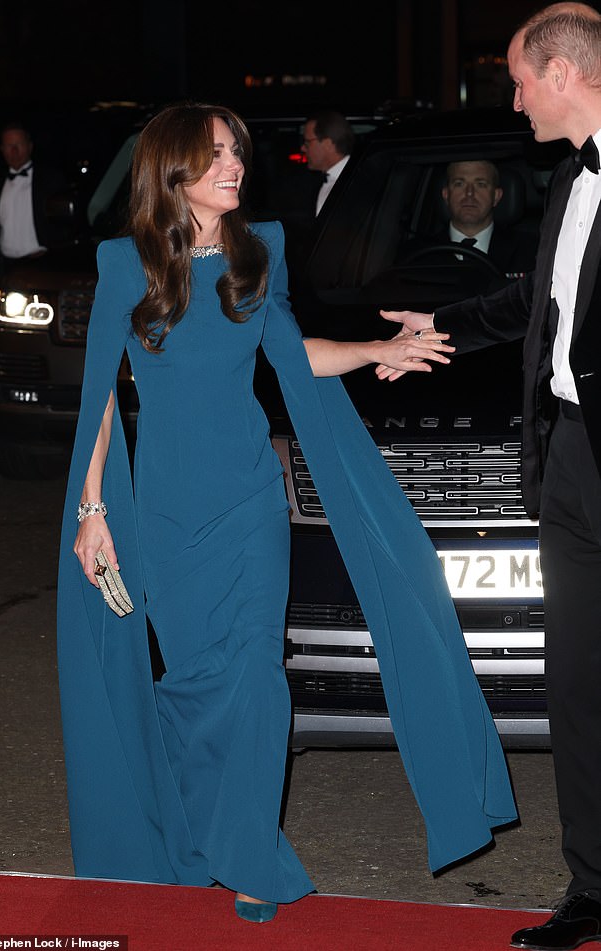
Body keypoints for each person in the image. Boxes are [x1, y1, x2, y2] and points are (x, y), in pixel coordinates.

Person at [57, 102, 516, 925]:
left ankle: (249, 857)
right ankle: (196, 835)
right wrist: (92, 510)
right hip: (161, 512)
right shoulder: (125, 264)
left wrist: (377, 350)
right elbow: (97, 402)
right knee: (195, 684)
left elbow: (291, 353)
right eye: (218, 155)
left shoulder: (258, 249)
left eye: (237, 152)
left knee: (256, 681)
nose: (238, 166)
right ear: (173, 172)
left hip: (246, 505)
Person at [380, 5, 601, 948]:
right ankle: (594, 887)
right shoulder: (566, 182)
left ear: (561, 70)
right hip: (572, 460)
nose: (512, 101)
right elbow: (532, 304)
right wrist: (438, 329)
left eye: (518, 80)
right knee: (578, 684)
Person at [0, 120, 69, 304]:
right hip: (3, 268)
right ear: (1, 150)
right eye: (8, 146)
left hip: (42, 267)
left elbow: (66, 224)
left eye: (18, 145)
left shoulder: (51, 180)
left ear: (29, 146)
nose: (13, 151)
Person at [401, 159, 538, 275]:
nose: (469, 194)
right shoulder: (415, 255)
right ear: (446, 194)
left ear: (496, 196)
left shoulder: (531, 252)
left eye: (480, 184)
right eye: (459, 184)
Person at [301, 110, 356, 216]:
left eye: (307, 142)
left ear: (328, 144)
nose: (303, 148)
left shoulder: (360, 182)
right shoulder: (316, 183)